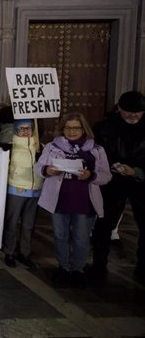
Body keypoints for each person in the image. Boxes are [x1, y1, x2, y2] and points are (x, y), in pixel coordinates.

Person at [35, 112, 111, 288]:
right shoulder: (53, 147)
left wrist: (91, 175)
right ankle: (63, 267)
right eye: (68, 128)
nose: (71, 131)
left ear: (83, 129)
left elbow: (106, 175)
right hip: (60, 199)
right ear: (62, 129)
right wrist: (48, 170)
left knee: (81, 238)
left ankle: (77, 269)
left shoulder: (96, 149)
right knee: (60, 236)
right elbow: (38, 168)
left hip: (84, 200)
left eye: (76, 128)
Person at [90, 91, 145, 283]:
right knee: (104, 226)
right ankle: (98, 267)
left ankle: (142, 269)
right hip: (112, 183)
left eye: (138, 112)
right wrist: (111, 166)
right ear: (119, 109)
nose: (133, 116)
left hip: (140, 183)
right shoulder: (104, 128)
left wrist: (137, 171)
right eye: (129, 112)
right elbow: (95, 152)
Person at [1, 119, 44, 268]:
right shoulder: (10, 145)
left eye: (29, 128)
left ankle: (25, 252)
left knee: (28, 225)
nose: (26, 131)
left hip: (35, 189)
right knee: (12, 223)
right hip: (16, 188)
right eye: (22, 129)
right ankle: (9, 251)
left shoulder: (39, 145)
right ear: (16, 130)